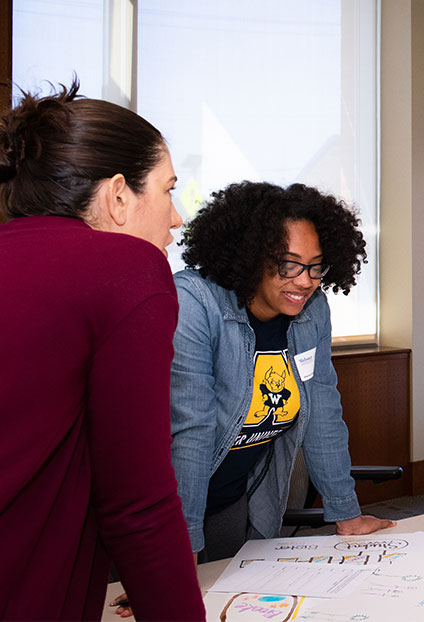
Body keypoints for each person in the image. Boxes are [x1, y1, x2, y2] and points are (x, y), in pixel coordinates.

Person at [0, 83, 204, 619]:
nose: (176, 217)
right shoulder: (126, 270)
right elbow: (137, 505)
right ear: (118, 196)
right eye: (167, 190)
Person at [170, 181, 395, 562]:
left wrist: (346, 513)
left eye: (315, 266)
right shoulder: (195, 303)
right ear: (250, 256)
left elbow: (322, 410)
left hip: (233, 502)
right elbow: (191, 431)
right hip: (165, 512)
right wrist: (180, 546)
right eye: (289, 265)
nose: (305, 281)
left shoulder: (312, 311)